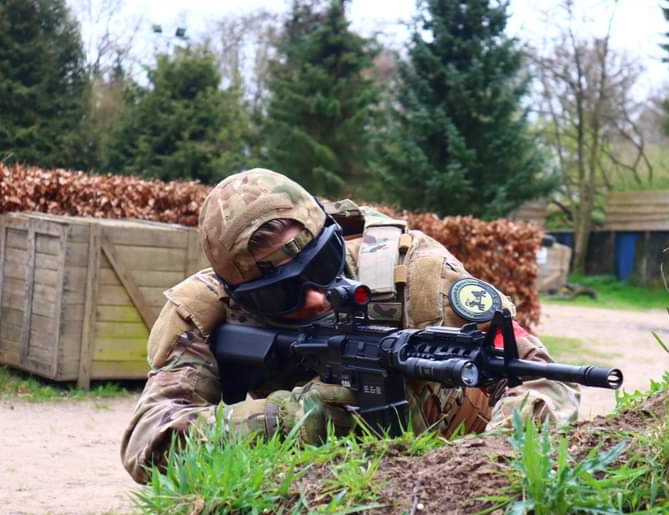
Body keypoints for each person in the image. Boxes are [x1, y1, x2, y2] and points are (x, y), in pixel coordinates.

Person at [121, 169, 580, 483]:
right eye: (282, 293)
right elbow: (149, 443)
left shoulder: (418, 276)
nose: (316, 296)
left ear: (334, 236)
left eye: (322, 263)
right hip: (290, 508)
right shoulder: (207, 310)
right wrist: (291, 420)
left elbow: (539, 373)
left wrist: (491, 462)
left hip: (443, 478)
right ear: (240, 294)